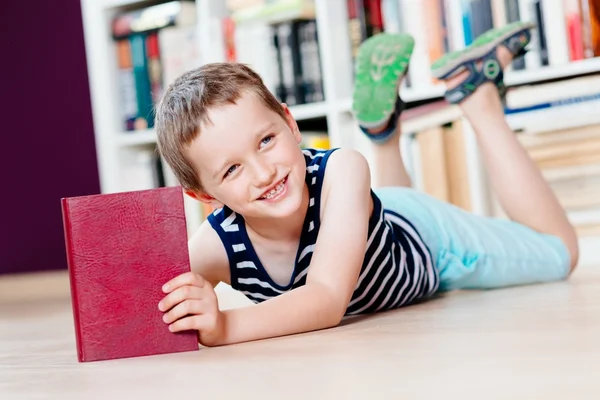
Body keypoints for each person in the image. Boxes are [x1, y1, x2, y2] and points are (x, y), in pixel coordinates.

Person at [154, 21, 579, 347]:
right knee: (374, 215)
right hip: (363, 223)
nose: (263, 173)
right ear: (204, 196)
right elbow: (151, 307)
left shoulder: (344, 169)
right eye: (232, 170)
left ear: (290, 122)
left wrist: (223, 324)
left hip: (426, 241)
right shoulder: (216, 245)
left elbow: (325, 298)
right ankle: (385, 132)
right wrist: (191, 309)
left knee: (561, 255)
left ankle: (478, 96)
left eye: (266, 141)